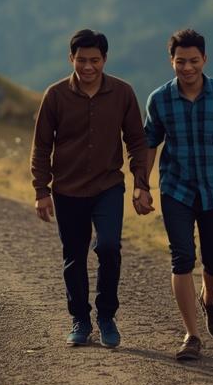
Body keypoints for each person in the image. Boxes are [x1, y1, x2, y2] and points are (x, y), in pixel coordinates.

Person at [30, 28, 155, 348]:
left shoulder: (122, 93)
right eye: (82, 60)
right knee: (74, 256)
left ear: (105, 59)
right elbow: (41, 146)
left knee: (109, 247)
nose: (88, 67)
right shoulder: (55, 95)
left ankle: (106, 317)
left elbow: (137, 142)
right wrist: (41, 191)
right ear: (71, 58)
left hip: (107, 186)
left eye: (95, 60)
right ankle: (81, 320)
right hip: (67, 189)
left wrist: (141, 185)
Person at [142, 28, 213, 361]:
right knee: (182, 259)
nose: (187, 67)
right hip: (175, 189)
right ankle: (191, 335)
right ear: (171, 61)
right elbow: (150, 144)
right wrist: (141, 186)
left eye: (193, 61)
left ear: (204, 58)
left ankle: (210, 299)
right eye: (180, 61)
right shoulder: (159, 100)